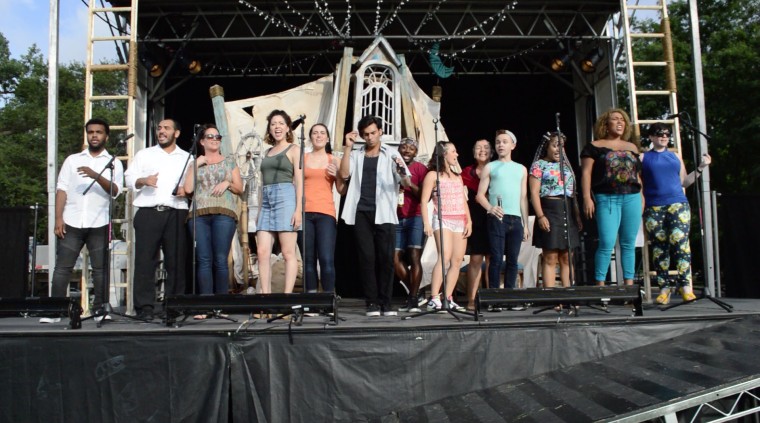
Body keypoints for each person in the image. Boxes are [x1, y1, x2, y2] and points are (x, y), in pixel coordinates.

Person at [49, 118, 124, 323]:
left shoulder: (113, 163)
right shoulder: (72, 160)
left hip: (98, 221)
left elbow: (115, 191)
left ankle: (100, 310)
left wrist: (95, 175)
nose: (94, 136)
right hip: (72, 220)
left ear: (106, 136)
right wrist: (58, 218)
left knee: (100, 270)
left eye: (99, 132)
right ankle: (54, 311)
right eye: (91, 132)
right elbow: (62, 189)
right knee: (63, 267)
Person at [340, 115, 410, 317]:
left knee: (386, 258)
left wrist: (401, 172)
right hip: (361, 211)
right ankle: (371, 302)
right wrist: (347, 148)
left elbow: (405, 183)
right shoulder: (357, 154)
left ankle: (386, 302)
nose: (370, 137)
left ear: (380, 132)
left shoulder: (391, 153)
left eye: (373, 133)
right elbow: (344, 174)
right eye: (366, 134)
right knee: (366, 258)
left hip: (385, 211)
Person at [125, 118, 191, 321]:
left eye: (166, 128)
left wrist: (186, 191)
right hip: (148, 211)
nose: (161, 131)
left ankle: (173, 305)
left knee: (176, 261)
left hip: (176, 211)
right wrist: (143, 180)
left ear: (176, 133)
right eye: (159, 128)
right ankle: (145, 307)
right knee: (145, 261)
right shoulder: (145, 154)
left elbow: (193, 186)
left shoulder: (187, 157)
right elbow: (128, 178)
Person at [641, 122, 710, 304]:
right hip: (654, 206)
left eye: (667, 134)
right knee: (659, 247)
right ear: (651, 137)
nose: (664, 136)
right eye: (659, 133)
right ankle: (664, 289)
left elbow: (685, 182)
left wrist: (701, 167)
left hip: (677, 204)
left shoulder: (675, 156)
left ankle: (686, 286)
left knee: (681, 244)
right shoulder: (643, 158)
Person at [580, 109, 642, 286]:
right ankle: (600, 286)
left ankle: (629, 286)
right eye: (615, 119)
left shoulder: (632, 147)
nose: (620, 122)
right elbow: (586, 173)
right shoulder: (593, 146)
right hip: (606, 197)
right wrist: (586, 197)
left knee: (629, 243)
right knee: (606, 242)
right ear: (605, 124)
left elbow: (638, 176)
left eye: (623, 120)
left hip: (632, 197)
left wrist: (642, 197)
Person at [183, 124, 244, 300]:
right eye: (210, 137)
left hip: (224, 213)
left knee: (220, 259)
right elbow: (188, 188)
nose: (215, 140)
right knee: (203, 259)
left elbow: (240, 188)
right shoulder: (195, 163)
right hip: (199, 214)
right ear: (202, 141)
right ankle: (205, 302)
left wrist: (228, 183)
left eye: (217, 137)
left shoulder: (229, 161)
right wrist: (195, 165)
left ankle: (221, 302)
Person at [476, 129, 530, 292]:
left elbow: (523, 198)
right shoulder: (491, 167)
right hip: (497, 218)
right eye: (498, 142)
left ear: (513, 145)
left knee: (513, 259)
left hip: (516, 219)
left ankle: (509, 296)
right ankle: (494, 296)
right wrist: (491, 209)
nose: (500, 145)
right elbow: (480, 195)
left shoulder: (521, 169)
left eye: (504, 142)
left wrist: (525, 224)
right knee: (497, 257)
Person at [421, 142, 471, 311]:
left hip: (459, 219)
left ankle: (448, 297)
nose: (456, 154)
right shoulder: (432, 176)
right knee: (445, 256)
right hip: (442, 219)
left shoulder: (458, 176)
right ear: (444, 154)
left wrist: (469, 220)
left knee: (457, 260)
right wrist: (426, 222)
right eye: (453, 151)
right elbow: (423, 200)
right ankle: (434, 297)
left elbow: (463, 200)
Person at [256, 110, 302, 294]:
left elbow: (298, 181)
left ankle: (286, 298)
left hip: (285, 196)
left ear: (288, 127)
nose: (277, 127)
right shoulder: (266, 152)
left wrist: (298, 209)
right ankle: (265, 297)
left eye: (281, 123)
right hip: (266, 198)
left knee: (288, 252)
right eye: (273, 123)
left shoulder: (294, 149)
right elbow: (261, 183)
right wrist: (259, 210)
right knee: (262, 252)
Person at [529, 132, 582, 288]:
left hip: (568, 210)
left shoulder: (566, 166)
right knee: (550, 257)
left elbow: (573, 192)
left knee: (567, 257)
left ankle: (568, 295)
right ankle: (552, 297)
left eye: (561, 146)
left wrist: (577, 216)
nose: (559, 149)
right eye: (554, 145)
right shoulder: (539, 165)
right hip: (550, 210)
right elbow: (533, 193)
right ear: (547, 147)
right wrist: (540, 216)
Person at [297, 123, 345, 293]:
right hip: (305, 212)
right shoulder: (302, 158)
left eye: (322, 133)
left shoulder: (334, 160)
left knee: (326, 258)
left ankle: (328, 298)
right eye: (315, 133)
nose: (318, 136)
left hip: (326, 213)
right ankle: (311, 299)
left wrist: (338, 175)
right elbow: (295, 184)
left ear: (327, 138)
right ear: (310, 137)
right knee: (308, 259)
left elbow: (341, 189)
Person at [393, 137, 428, 313]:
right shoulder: (391, 165)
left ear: (415, 152)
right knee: (394, 258)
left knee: (414, 256)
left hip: (416, 216)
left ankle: (413, 299)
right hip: (395, 217)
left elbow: (425, 195)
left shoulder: (420, 168)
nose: (407, 151)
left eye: (411, 148)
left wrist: (409, 184)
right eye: (403, 147)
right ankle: (417, 291)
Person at [461, 139, 491, 311]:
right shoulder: (467, 172)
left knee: (492, 259)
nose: (482, 150)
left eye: (486, 147)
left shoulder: (496, 169)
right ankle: (471, 300)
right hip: (476, 218)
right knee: (476, 259)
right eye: (478, 147)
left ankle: (491, 298)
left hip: (494, 217)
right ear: (473, 152)